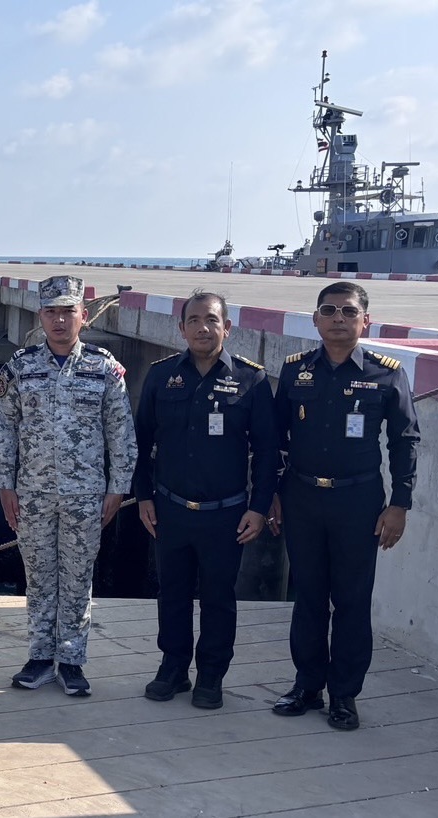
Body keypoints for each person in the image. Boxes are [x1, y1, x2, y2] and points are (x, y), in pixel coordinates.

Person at [268, 282, 419, 730]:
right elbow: (275, 438)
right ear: (315, 319)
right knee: (308, 597)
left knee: (351, 601)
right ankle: (307, 686)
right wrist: (272, 492)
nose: (339, 318)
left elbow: (405, 440)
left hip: (358, 502)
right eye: (329, 310)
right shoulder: (295, 370)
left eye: (349, 311)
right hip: (302, 498)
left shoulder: (386, 374)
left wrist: (400, 505)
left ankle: (344, 695)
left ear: (364, 321)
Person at [0, 275, 137, 696]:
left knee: (76, 578)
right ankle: (40, 657)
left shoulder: (103, 368)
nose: (59, 320)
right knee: (38, 577)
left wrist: (117, 488)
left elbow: (120, 433)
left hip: (85, 495)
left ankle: (71, 660)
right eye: (51, 312)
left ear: (83, 316)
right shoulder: (20, 368)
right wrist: (5, 485)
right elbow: (5, 429)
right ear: (40, 316)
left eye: (67, 311)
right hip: (32, 494)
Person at [132, 291, 278, 709]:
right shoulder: (161, 376)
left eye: (211, 320)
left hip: (225, 515)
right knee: (172, 593)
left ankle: (211, 675)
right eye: (194, 320)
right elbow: (139, 442)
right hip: (170, 509)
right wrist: (142, 496)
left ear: (226, 328)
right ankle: (173, 668)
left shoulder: (251, 380)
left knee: (218, 598)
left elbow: (267, 451)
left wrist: (258, 507)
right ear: (182, 329)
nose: (202, 328)